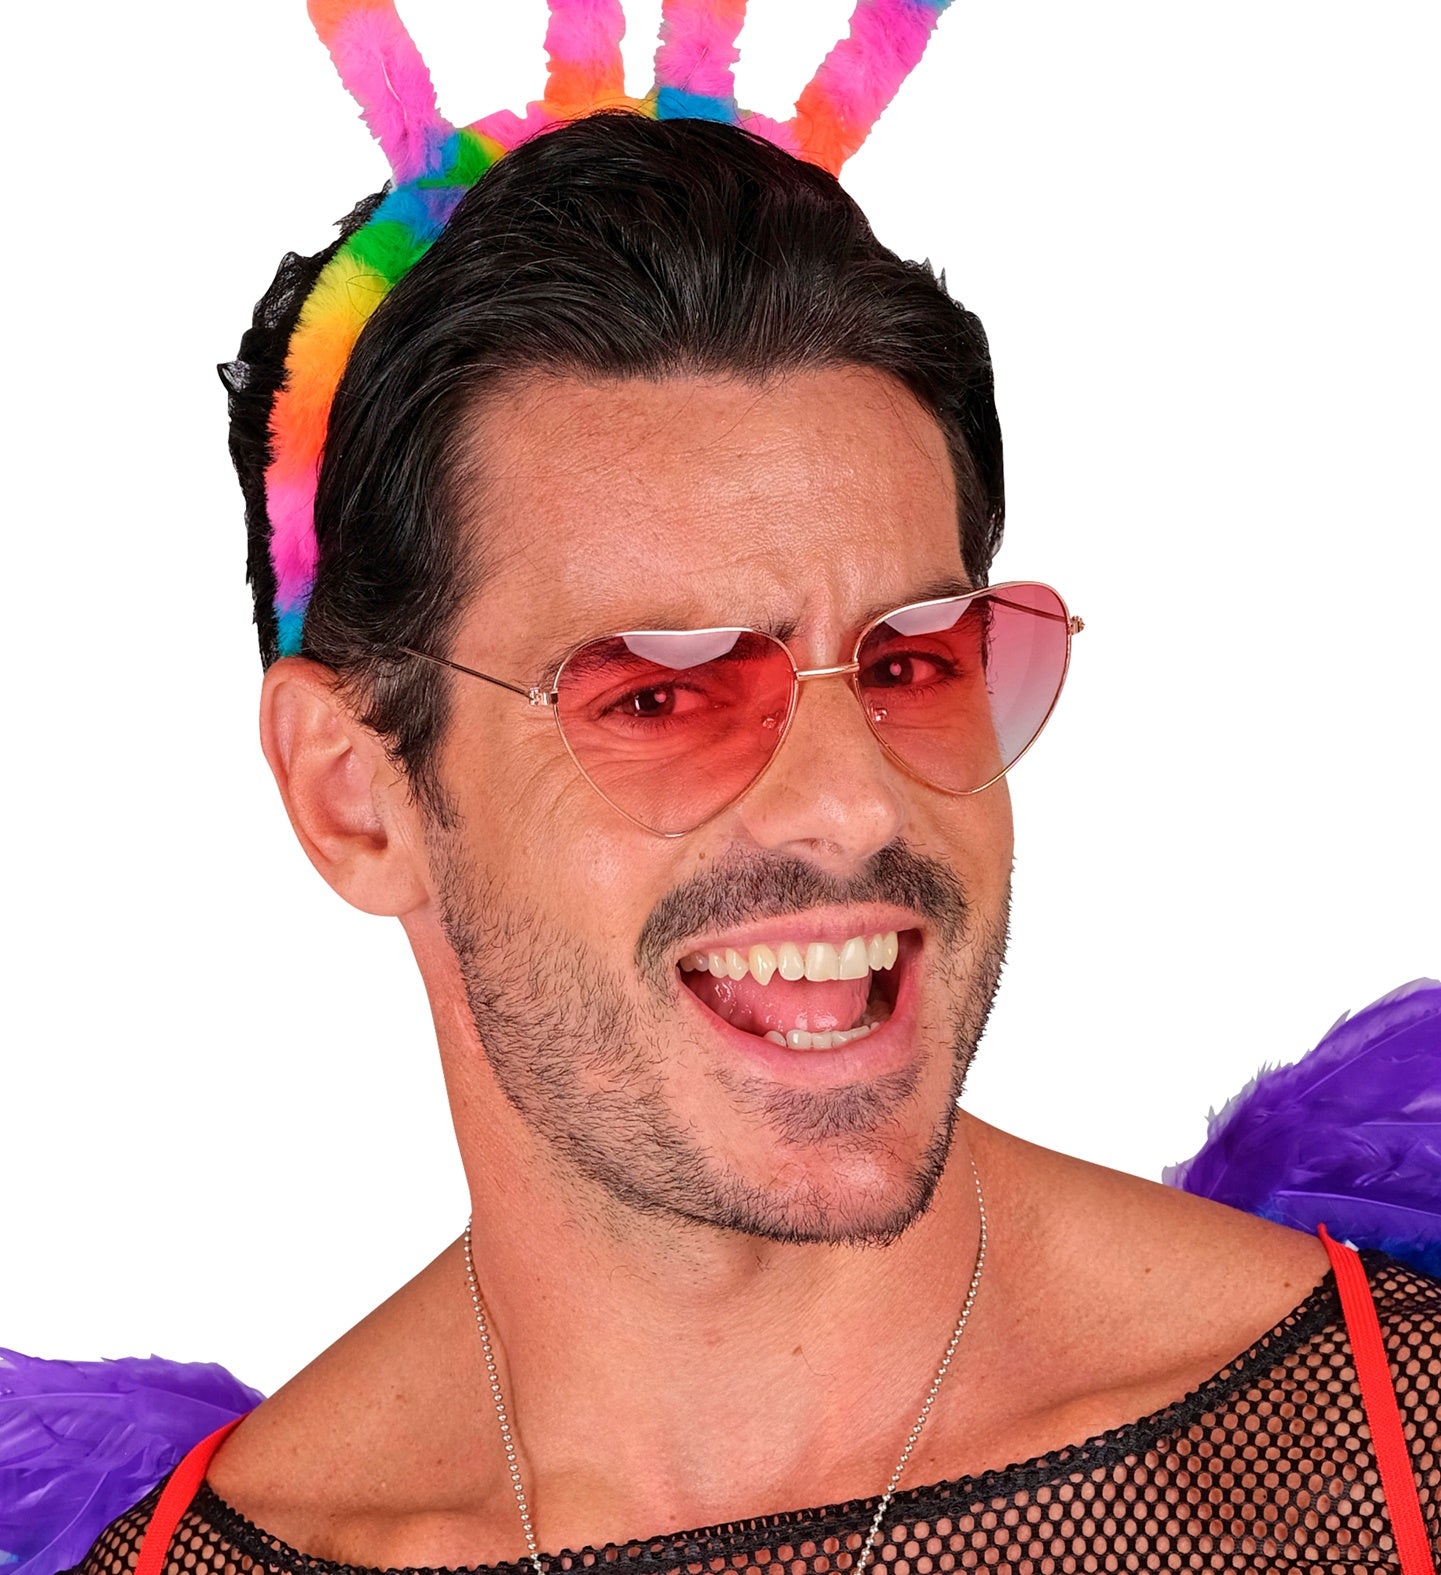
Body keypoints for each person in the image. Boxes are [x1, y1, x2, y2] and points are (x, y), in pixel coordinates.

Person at [14, 3, 1438, 1571]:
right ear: (357, 796)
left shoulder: (1389, 1444)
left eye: (911, 664)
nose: (855, 806)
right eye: (661, 694)